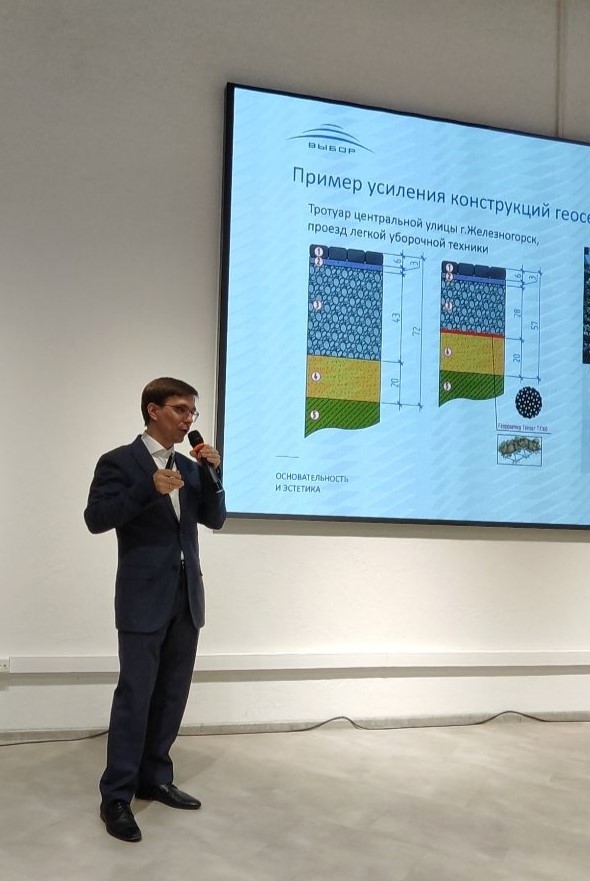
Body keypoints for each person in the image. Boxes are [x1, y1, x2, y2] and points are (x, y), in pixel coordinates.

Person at [84, 377, 226, 843]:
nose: (189, 419)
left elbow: (215, 519)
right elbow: (96, 519)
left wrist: (213, 475)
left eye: (192, 413)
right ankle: (116, 795)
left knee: (171, 695)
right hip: (142, 598)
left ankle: (155, 777)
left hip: (186, 597)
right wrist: (148, 489)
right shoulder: (119, 462)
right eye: (181, 409)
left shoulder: (189, 464)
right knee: (136, 696)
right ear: (153, 410)